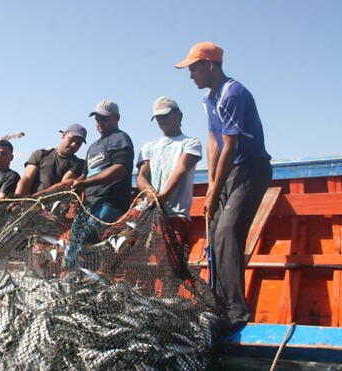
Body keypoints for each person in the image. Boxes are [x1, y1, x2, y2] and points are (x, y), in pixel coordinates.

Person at [176, 41, 272, 334]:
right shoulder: (209, 99)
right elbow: (214, 142)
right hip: (229, 172)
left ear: (210, 65)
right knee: (216, 232)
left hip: (251, 169)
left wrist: (216, 191)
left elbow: (231, 146)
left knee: (229, 231)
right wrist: (211, 186)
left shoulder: (233, 93)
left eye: (194, 68)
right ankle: (218, 304)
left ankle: (236, 313)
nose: (191, 74)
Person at [67, 99, 135, 268]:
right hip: (89, 206)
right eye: (97, 119)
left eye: (104, 118)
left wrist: (86, 183)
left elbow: (120, 169)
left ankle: (92, 281)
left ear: (116, 118)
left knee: (88, 242)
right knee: (72, 247)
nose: (99, 123)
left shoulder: (120, 138)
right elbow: (84, 174)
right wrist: (77, 185)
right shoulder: (93, 146)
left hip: (109, 203)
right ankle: (72, 280)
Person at [136, 96, 202, 249]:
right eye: (158, 117)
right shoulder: (148, 147)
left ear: (179, 115)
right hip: (146, 212)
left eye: (165, 115)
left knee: (171, 262)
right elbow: (141, 176)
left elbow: (182, 168)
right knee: (117, 242)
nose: (162, 120)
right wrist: (149, 192)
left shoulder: (191, 143)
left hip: (175, 214)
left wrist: (164, 195)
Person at [15, 124, 87, 197]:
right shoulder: (40, 154)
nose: (73, 145)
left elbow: (63, 186)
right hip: (33, 203)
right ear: (63, 135)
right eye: (72, 139)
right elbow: (27, 178)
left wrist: (41, 195)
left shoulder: (79, 163)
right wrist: (18, 199)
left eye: (78, 143)